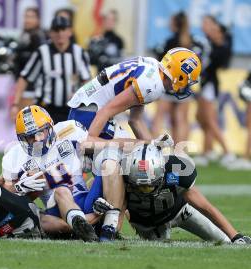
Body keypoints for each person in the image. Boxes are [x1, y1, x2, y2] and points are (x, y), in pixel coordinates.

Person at [2, 105, 143, 242]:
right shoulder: (15, 156)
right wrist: (20, 188)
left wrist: (145, 144)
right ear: (22, 139)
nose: (38, 140)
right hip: (57, 209)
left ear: (50, 126)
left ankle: (110, 229)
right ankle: (84, 224)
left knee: (114, 164)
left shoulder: (69, 130)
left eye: (41, 132)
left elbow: (110, 144)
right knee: (61, 190)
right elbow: (3, 195)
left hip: (85, 200)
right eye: (30, 137)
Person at [92, 143, 251, 244]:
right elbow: (118, 214)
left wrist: (235, 235)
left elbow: (205, 207)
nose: (144, 190)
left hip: (180, 212)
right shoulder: (122, 175)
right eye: (140, 186)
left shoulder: (175, 170)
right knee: (160, 251)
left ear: (162, 171)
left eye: (149, 185)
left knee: (225, 241)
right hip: (148, 226)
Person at [67, 47, 202, 142]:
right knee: (125, 154)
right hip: (89, 111)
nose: (186, 85)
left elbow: (135, 120)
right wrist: (91, 142)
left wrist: (154, 147)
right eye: (187, 80)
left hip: (88, 107)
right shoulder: (153, 84)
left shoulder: (154, 71)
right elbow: (106, 110)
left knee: (134, 153)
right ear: (180, 75)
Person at [13, 16, 91, 124]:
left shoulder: (79, 53)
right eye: (56, 30)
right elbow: (24, 77)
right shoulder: (42, 52)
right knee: (44, 140)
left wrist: (81, 97)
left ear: (70, 32)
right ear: (50, 33)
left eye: (63, 29)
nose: (60, 34)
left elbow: (87, 81)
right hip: (45, 110)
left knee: (71, 140)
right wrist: (15, 104)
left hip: (71, 110)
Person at [152, 12, 207, 144]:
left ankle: (150, 147)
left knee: (159, 117)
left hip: (168, 83)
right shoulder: (192, 41)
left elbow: (161, 63)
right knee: (181, 119)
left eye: (171, 21)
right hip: (184, 85)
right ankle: (180, 151)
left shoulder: (170, 42)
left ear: (175, 24)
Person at [193, 15, 235, 167]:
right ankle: (207, 151)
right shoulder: (207, 43)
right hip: (205, 83)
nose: (207, 28)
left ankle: (227, 152)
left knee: (210, 120)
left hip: (210, 84)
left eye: (212, 27)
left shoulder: (219, 48)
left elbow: (213, 64)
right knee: (201, 117)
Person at [12, 7, 46, 109]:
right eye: (26, 16)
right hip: (21, 86)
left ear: (38, 20)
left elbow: (37, 64)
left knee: (26, 121)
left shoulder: (38, 37)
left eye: (31, 17)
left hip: (31, 88)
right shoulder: (24, 36)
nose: (27, 20)